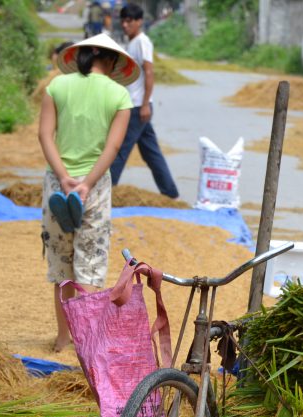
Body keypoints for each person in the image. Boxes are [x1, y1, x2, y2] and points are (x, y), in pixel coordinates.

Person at [39, 33, 138, 352]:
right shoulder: (120, 95)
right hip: (93, 188)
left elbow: (45, 136)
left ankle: (62, 338)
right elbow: (115, 146)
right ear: (109, 60)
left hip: (58, 184)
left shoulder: (57, 87)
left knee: (62, 266)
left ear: (82, 55)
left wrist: (65, 179)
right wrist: (85, 183)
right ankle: (87, 342)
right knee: (90, 265)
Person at [108, 3, 179, 199]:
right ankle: (170, 193)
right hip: (136, 105)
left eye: (129, 21)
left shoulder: (142, 42)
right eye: (123, 20)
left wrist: (146, 103)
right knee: (151, 153)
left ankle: (106, 190)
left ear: (139, 22)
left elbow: (149, 72)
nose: (125, 24)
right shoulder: (131, 43)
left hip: (138, 106)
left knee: (119, 149)